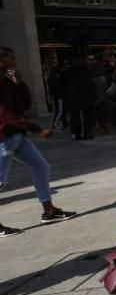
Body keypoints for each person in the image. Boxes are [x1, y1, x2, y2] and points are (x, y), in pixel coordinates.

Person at [0, 46, 74, 233]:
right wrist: (36, 128)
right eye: (10, 58)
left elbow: (24, 105)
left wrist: (20, 84)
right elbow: (4, 114)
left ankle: (49, 211)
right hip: (3, 137)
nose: (14, 62)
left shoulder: (8, 79)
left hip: (16, 136)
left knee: (41, 167)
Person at [62, 57, 97, 140]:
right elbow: (91, 86)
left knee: (74, 117)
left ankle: (76, 133)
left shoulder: (67, 73)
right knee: (87, 116)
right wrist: (93, 97)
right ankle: (87, 133)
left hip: (72, 97)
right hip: (85, 97)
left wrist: (65, 97)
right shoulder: (86, 73)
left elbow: (63, 87)